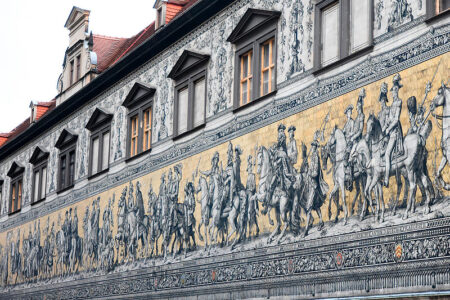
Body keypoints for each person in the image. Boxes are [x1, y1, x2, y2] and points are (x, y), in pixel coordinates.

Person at [382, 74, 404, 187]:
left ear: (398, 90)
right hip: (389, 132)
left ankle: (386, 179)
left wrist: (389, 128)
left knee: (387, 154)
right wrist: (384, 128)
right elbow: (389, 120)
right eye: (392, 90)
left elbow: (396, 120)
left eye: (395, 89)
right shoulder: (391, 105)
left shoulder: (399, 102)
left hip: (395, 133)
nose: (393, 92)